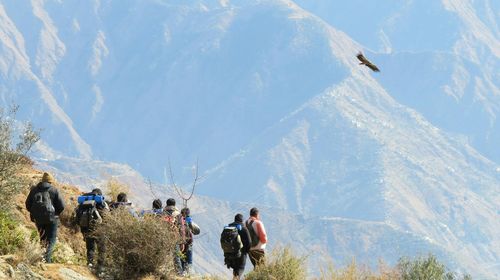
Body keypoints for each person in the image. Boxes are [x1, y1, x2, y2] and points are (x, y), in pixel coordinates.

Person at [25, 172, 65, 263]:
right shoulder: (54, 190)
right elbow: (62, 206)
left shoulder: (34, 190)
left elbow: (27, 205)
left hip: (38, 220)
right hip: (52, 219)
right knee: (51, 240)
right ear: (50, 181)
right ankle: (47, 261)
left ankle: (42, 258)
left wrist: (35, 214)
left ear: (42, 180)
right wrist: (56, 213)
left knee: (42, 239)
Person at [75, 188, 109, 272]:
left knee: (90, 247)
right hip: (100, 229)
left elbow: (77, 216)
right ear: (100, 195)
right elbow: (107, 216)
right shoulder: (102, 203)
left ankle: (90, 263)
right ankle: (101, 267)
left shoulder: (83, 203)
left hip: (87, 228)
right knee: (102, 248)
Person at [226, 214, 251, 279]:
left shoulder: (229, 227)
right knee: (240, 270)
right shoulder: (243, 228)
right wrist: (246, 251)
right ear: (242, 220)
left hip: (229, 254)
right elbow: (249, 242)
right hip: (241, 254)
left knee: (235, 271)